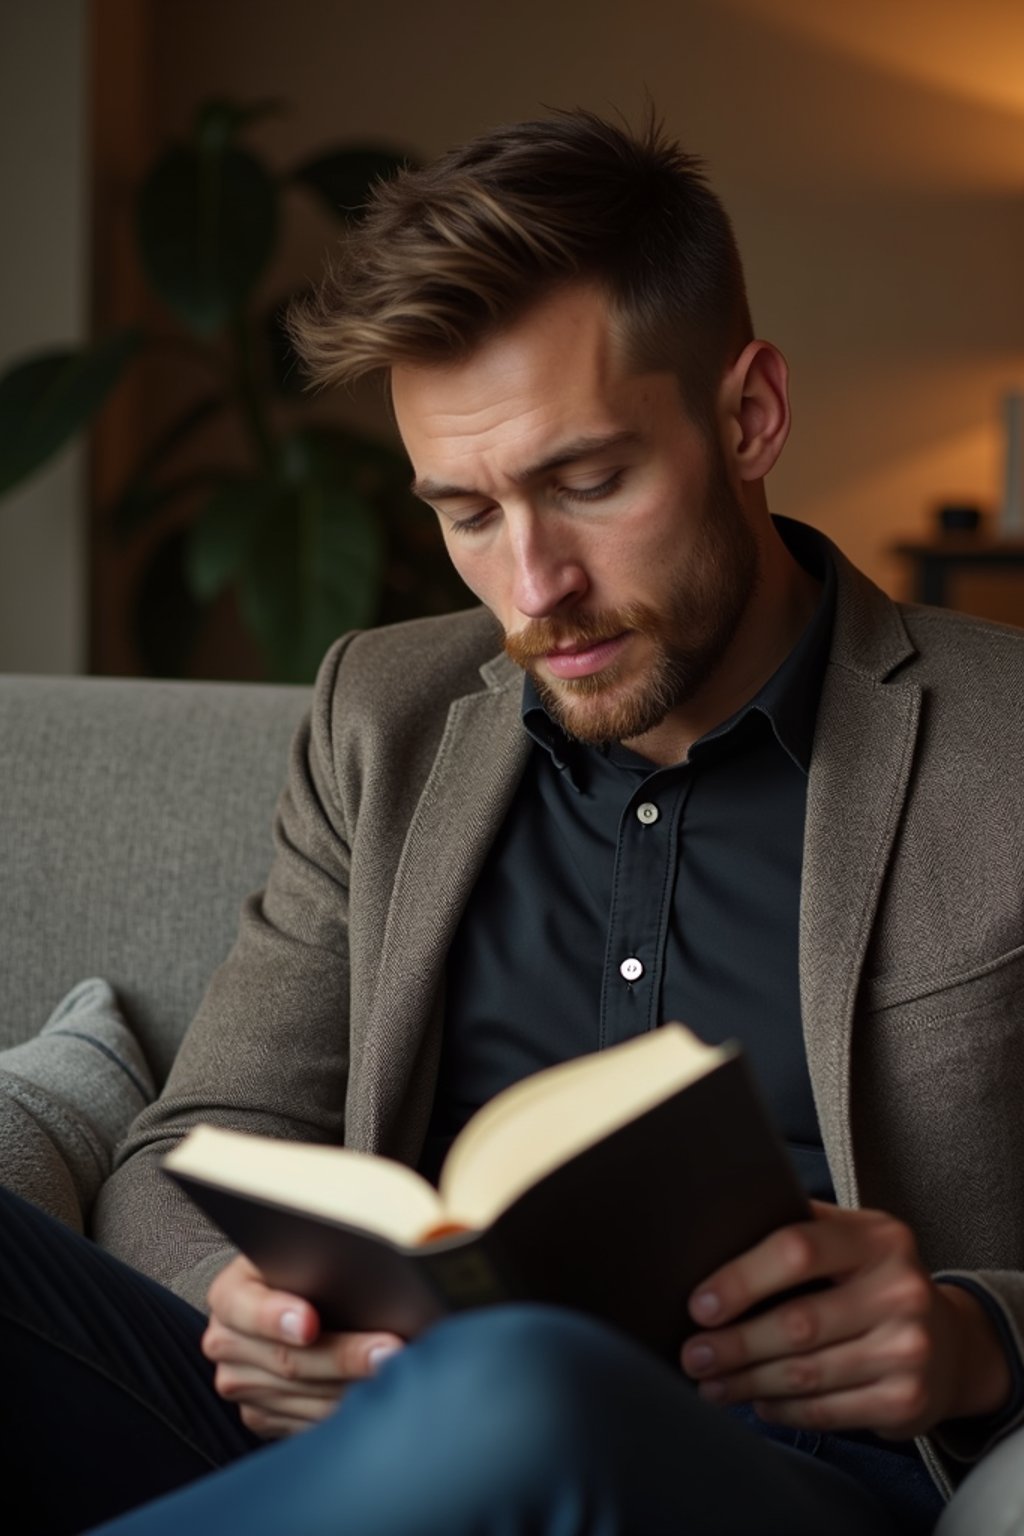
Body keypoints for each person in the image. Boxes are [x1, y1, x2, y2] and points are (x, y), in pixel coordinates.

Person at [3, 109, 1024, 1536]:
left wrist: (978, 1334)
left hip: (784, 1485)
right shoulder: (385, 711)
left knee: (531, 1384)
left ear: (749, 416)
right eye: (466, 512)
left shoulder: (1004, 742)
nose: (531, 585)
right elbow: (204, 1133)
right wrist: (240, 1305)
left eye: (587, 483)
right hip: (358, 1447)